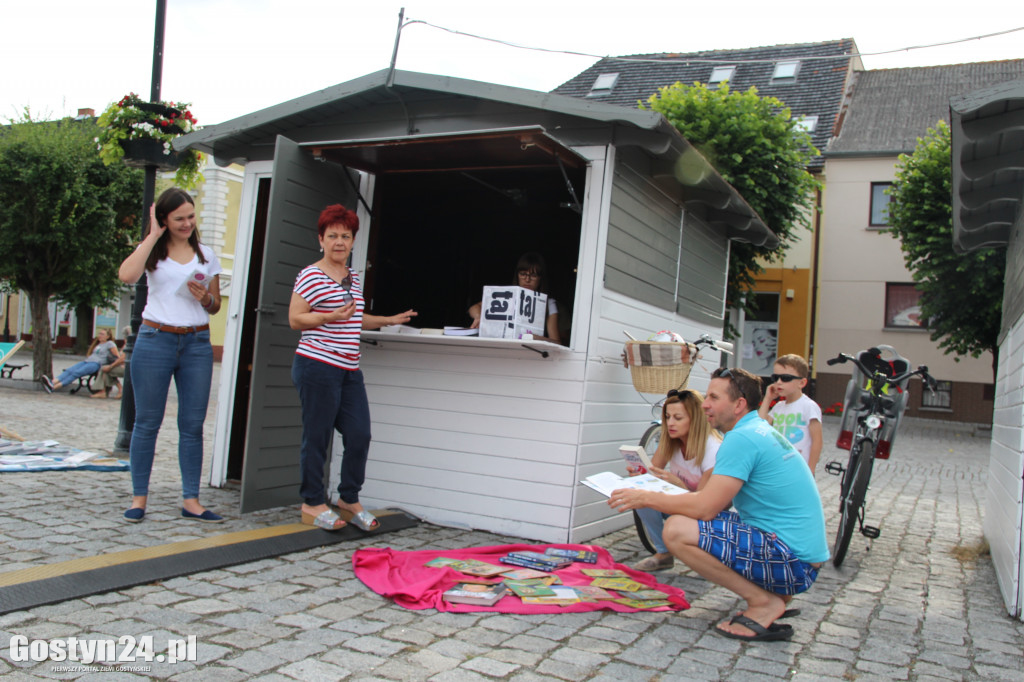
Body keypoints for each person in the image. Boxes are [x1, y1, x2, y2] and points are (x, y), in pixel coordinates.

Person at [608, 367, 828, 642]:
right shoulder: (754, 430)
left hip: (794, 562)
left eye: (713, 397)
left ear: (739, 405)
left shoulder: (742, 438)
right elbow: (709, 502)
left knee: (677, 530)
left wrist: (644, 498)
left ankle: (763, 603)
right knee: (692, 523)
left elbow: (705, 508)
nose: (705, 404)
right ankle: (775, 595)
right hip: (798, 556)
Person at [289, 203, 417, 532]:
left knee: (360, 435)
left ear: (353, 241)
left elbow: (355, 317)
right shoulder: (310, 275)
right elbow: (295, 319)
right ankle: (313, 502)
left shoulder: (352, 276)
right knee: (316, 437)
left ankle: (348, 498)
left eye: (345, 236)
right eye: (332, 236)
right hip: (317, 365)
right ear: (321, 239)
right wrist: (328, 317)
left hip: (348, 370)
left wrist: (389, 319)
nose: (339, 242)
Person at [117, 187, 223, 524]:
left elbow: (216, 305)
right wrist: (152, 234)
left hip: (196, 343)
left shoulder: (206, 255)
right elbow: (127, 275)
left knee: (192, 426)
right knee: (147, 423)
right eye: (179, 218)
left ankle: (191, 500)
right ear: (164, 219)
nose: (187, 223)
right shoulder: (153, 252)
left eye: (191, 217)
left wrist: (205, 297)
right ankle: (139, 498)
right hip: (154, 339)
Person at [631, 388, 722, 572]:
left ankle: (706, 554)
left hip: (709, 515)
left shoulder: (713, 449)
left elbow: (704, 505)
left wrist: (678, 485)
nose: (670, 423)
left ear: (695, 420)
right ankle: (664, 553)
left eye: (678, 418)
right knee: (641, 498)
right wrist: (639, 475)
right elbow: (652, 473)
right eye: (667, 417)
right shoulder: (671, 440)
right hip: (681, 503)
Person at [467, 252, 561, 344]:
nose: (527, 280)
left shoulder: (548, 303)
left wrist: (536, 338)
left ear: (540, 278)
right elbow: (474, 308)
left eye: (533, 275)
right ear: (517, 275)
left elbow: (557, 342)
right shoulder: (508, 295)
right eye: (523, 274)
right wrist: (480, 318)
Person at [758, 354, 823, 472]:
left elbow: (817, 441)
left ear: (802, 383)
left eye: (785, 378)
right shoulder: (778, 407)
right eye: (775, 378)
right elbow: (760, 426)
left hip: (799, 468)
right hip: (778, 466)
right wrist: (767, 399)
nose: (779, 382)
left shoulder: (809, 406)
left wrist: (811, 470)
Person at [41, 329, 120, 394]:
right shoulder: (98, 344)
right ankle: (52, 382)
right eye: (99, 333)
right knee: (70, 370)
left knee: (77, 373)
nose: (100, 335)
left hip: (96, 364)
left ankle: (54, 387)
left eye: (102, 334)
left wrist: (111, 365)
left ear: (108, 336)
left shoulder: (110, 343)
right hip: (87, 361)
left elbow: (117, 356)